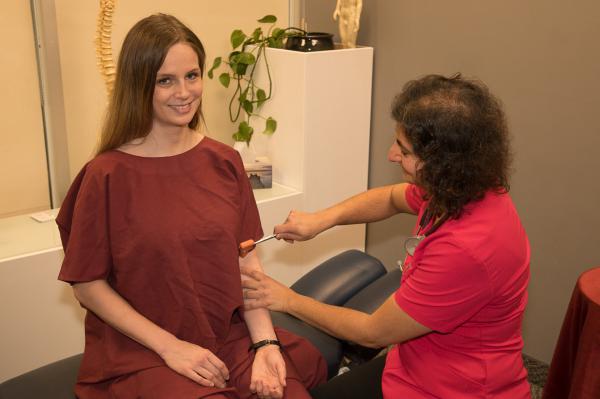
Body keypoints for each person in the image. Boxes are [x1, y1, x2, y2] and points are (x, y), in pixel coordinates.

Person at [56, 14, 326, 399]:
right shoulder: (106, 175)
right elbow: (87, 285)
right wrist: (171, 348)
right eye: (165, 80)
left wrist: (265, 345)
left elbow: (246, 263)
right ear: (138, 85)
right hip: (143, 351)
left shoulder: (224, 161)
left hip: (227, 336)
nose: (184, 92)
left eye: (192, 76)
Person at [242, 74, 531, 398]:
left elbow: (372, 331)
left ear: (444, 164)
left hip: (455, 390)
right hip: (412, 362)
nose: (392, 154)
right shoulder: (458, 189)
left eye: (404, 150)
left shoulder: (467, 249)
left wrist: (287, 299)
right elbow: (393, 198)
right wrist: (321, 220)